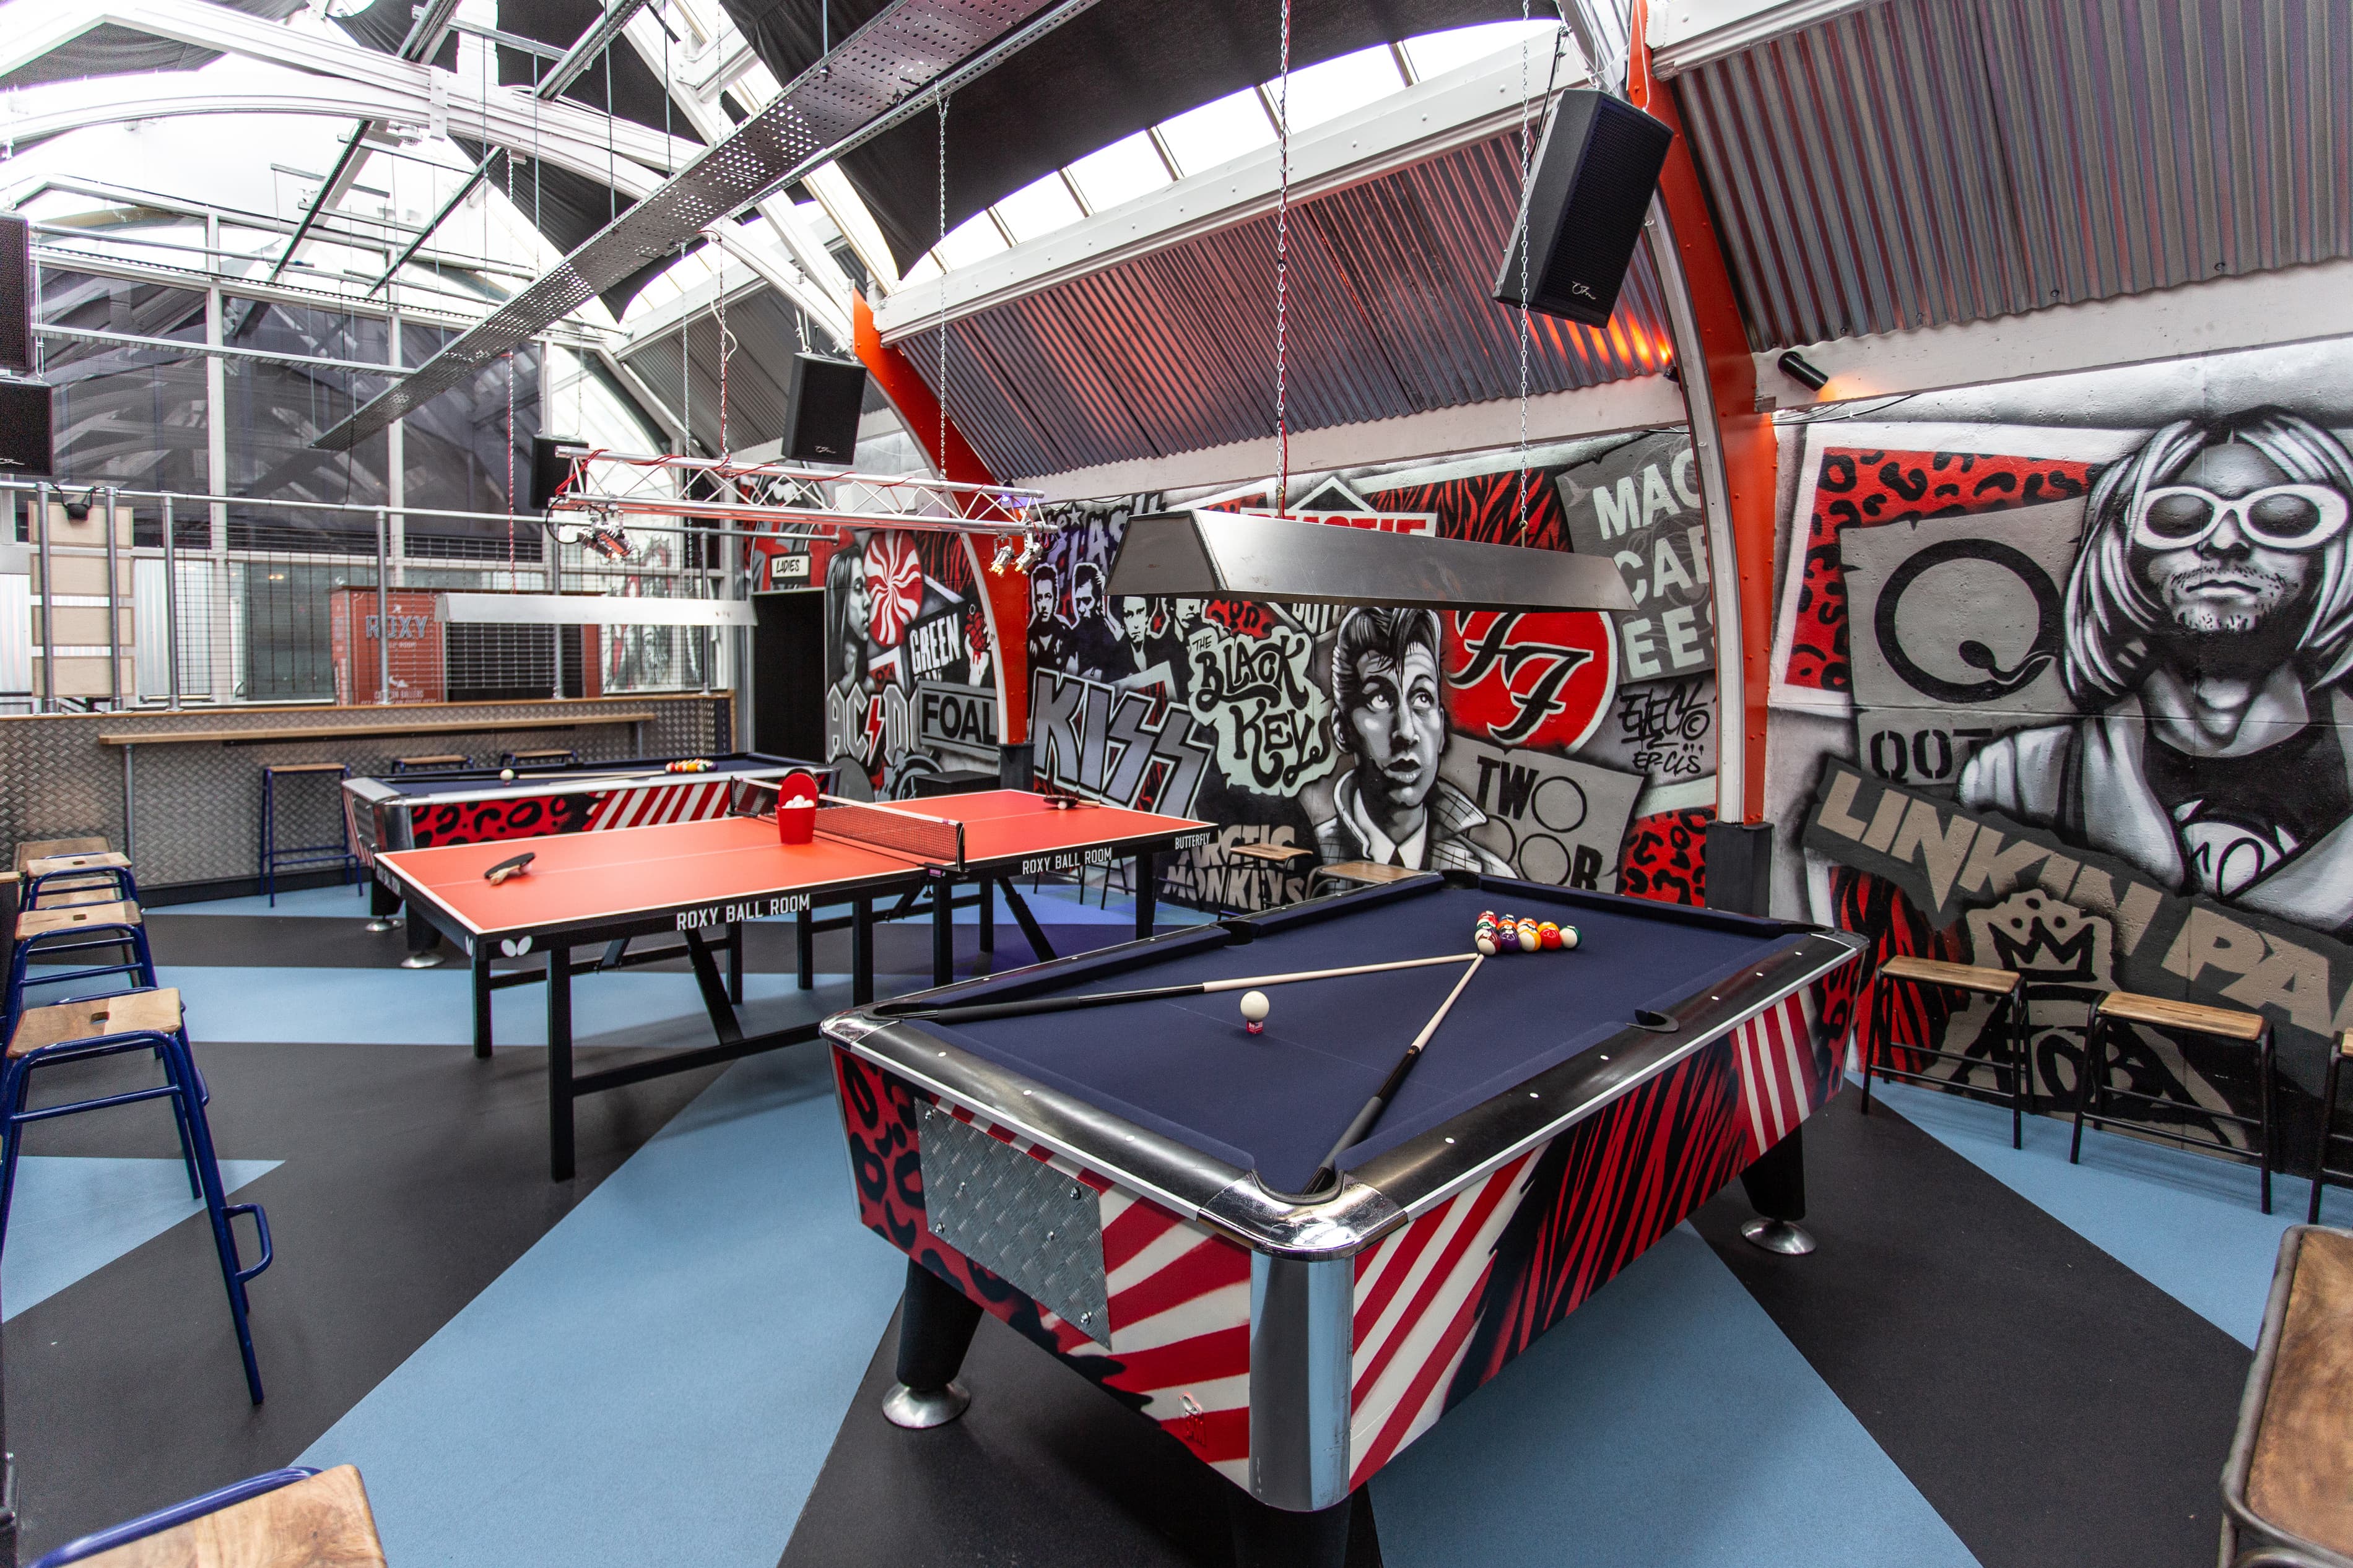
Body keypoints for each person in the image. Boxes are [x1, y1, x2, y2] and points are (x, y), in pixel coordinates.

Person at [1958, 407, 2353, 927]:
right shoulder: (2017, 778)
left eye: (2280, 518)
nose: (2224, 542)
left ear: (2329, 555)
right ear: (2124, 554)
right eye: (2179, 519)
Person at [1314, 607, 1510, 874]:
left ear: (1441, 730)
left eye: (1422, 698)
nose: (1406, 733)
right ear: (1342, 729)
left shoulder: (1489, 874)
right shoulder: (1311, 860)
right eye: (1379, 699)